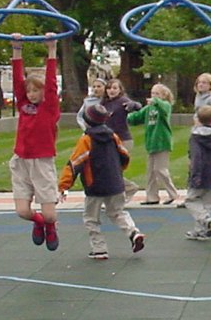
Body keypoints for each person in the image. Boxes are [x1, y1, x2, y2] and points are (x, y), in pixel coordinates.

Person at [57, 104, 145, 259]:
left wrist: (64, 186)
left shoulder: (86, 140)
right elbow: (125, 155)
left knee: (91, 218)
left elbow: (75, 163)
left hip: (95, 185)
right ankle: (133, 232)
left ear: (86, 121)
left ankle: (99, 248)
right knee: (118, 212)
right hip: (115, 183)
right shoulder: (113, 136)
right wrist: (118, 171)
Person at [10, 32, 61, 251]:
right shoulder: (24, 106)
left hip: (41, 161)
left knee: (50, 213)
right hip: (21, 160)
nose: (30, 94)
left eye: (35, 90)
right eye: (29, 90)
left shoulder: (49, 109)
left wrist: (51, 49)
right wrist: (16, 49)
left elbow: (50, 84)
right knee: (22, 211)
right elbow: (17, 83)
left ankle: (49, 224)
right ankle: (39, 223)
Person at [128, 83, 179, 206]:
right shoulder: (148, 109)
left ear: (163, 96)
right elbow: (136, 117)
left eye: (157, 94)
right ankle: (152, 197)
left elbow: (163, 108)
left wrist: (156, 101)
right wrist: (125, 114)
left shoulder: (165, 106)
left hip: (162, 142)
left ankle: (173, 193)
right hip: (151, 143)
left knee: (160, 169)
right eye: (152, 93)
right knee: (150, 171)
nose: (154, 96)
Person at [184, 105, 211, 240]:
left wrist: (195, 175)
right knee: (206, 203)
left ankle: (204, 220)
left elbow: (196, 157)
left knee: (191, 201)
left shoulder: (195, 138)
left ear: (199, 120)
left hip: (200, 173)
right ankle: (201, 230)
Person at [101, 78, 143, 203]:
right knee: (108, 169)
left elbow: (138, 106)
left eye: (115, 88)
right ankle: (123, 191)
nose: (111, 91)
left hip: (123, 140)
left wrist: (132, 105)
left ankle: (128, 189)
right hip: (109, 140)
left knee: (114, 168)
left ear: (120, 90)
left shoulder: (123, 101)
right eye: (109, 88)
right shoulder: (104, 103)